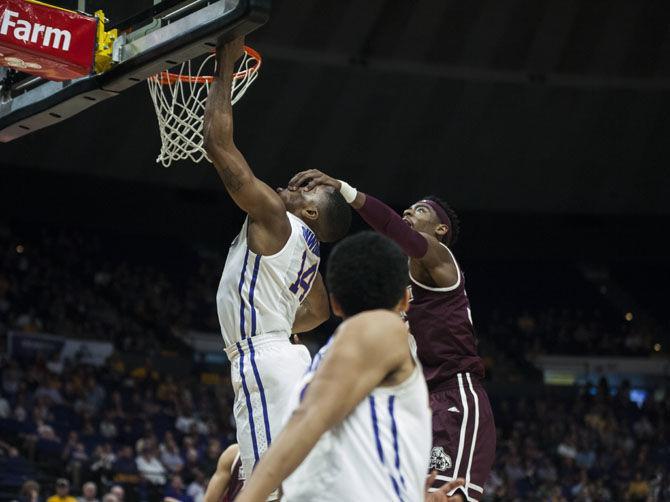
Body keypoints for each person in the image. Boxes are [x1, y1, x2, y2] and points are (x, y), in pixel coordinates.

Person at [288, 170, 497, 501]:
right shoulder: (399, 286)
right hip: (418, 400)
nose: (408, 213)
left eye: (421, 210)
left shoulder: (439, 257)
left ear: (440, 230)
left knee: (450, 497)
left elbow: (395, 230)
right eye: (408, 210)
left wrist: (344, 189)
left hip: (453, 393)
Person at [202, 36, 351, 494]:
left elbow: (216, 144)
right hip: (277, 355)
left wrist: (226, 62)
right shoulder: (308, 249)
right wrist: (282, 323)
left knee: (269, 484)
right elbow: (322, 311)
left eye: (304, 190)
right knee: (272, 480)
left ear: (309, 213)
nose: (292, 185)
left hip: (263, 358)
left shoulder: (274, 216)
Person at [234, 232, 464, 502]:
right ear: (404, 300)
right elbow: (309, 421)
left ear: (335, 304)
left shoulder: (317, 373)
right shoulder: (384, 328)